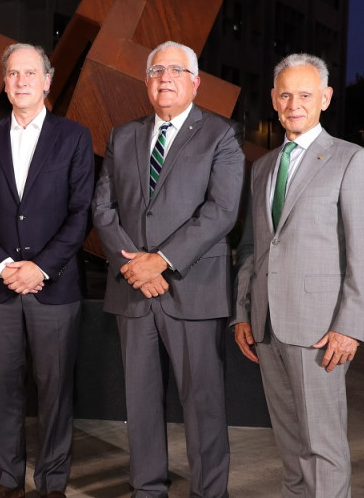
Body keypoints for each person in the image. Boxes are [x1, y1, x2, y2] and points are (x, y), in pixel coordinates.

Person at [92, 40, 244, 498]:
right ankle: (148, 489)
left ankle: (209, 492)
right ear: (146, 80)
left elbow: (221, 211)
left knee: (203, 404)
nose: (165, 78)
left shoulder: (222, 134)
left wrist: (160, 260)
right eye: (157, 70)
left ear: (195, 82)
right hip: (132, 290)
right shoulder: (122, 135)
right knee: (139, 403)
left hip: (193, 289)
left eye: (177, 70)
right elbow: (103, 209)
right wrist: (137, 267)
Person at [232, 53, 364, 497]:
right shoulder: (262, 167)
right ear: (274, 101)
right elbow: (251, 248)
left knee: (323, 445)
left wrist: (349, 327)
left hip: (319, 330)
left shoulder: (352, 161)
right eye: (285, 95)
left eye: (304, 94)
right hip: (267, 326)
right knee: (291, 445)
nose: (293, 103)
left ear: (325, 98)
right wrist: (243, 312)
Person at [0, 43, 95, 498]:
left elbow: (81, 213)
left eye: (29, 73)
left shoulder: (74, 137)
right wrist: (2, 266)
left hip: (54, 288)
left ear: (47, 81)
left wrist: (40, 267)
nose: (20, 81)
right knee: (1, 389)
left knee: (56, 391)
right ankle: (5, 478)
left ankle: (53, 482)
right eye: (13, 74)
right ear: (5, 82)